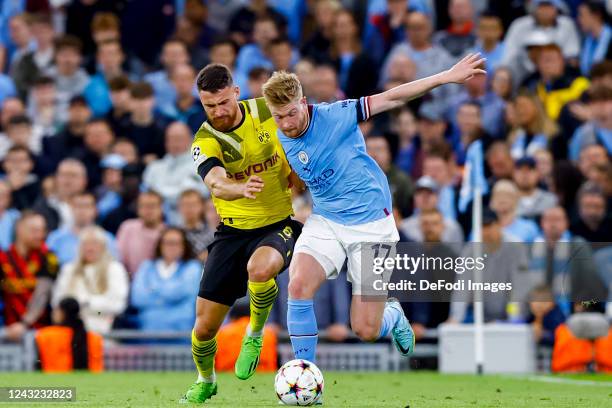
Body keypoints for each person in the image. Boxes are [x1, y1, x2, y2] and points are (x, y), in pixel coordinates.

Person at [261, 52, 486, 368]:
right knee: (297, 285)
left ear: (304, 101)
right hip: (325, 218)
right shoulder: (274, 129)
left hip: (370, 223)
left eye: (291, 114)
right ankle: (306, 376)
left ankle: (393, 316)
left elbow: (392, 97)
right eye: (278, 117)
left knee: (365, 329)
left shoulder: (336, 115)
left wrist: (443, 77)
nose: (286, 123)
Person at [180, 64, 303, 404]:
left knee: (260, 269)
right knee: (204, 329)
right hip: (232, 233)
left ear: (236, 92)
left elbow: (303, 126)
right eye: (210, 106)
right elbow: (215, 180)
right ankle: (206, 380)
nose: (218, 111)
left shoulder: (266, 109)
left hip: (281, 222)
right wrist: (238, 187)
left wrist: (299, 167)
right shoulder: (205, 139)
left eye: (223, 102)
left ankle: (255, 332)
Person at [52, 226, 129, 334]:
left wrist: (85, 306)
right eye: (86, 244)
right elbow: (58, 300)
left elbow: (117, 305)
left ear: (103, 247)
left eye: (95, 244)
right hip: (71, 327)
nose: (90, 248)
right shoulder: (68, 269)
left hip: (103, 326)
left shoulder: (114, 269)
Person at [131, 227, 201, 332]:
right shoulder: (147, 266)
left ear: (184, 246)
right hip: (148, 330)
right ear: (160, 245)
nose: (171, 247)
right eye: (167, 242)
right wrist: (169, 297)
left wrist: (153, 289)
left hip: (181, 331)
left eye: (176, 243)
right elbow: (138, 298)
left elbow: (182, 292)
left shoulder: (193, 267)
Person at [35, 297, 104, 372]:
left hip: (55, 381)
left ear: (62, 313)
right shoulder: (95, 338)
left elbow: (38, 365)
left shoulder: (45, 335)